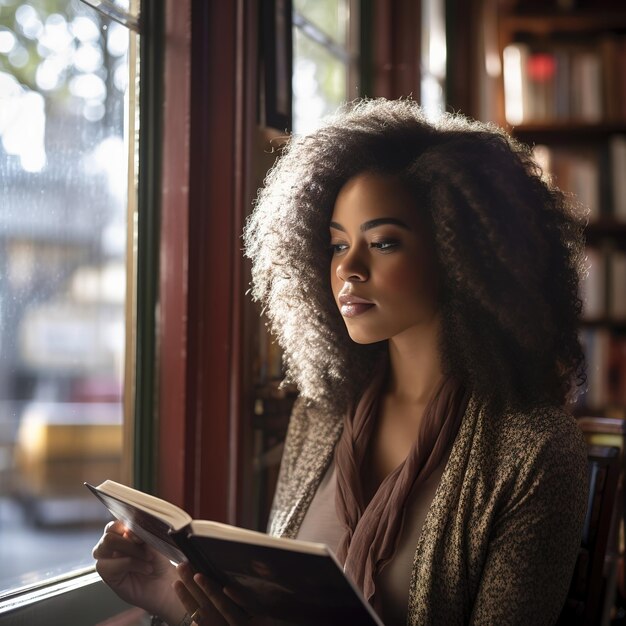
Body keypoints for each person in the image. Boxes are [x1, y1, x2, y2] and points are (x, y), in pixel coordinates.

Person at [93, 98, 589, 625]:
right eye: (335, 245)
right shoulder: (321, 415)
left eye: (383, 242)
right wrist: (168, 591)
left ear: (462, 254)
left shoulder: (538, 453)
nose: (348, 268)